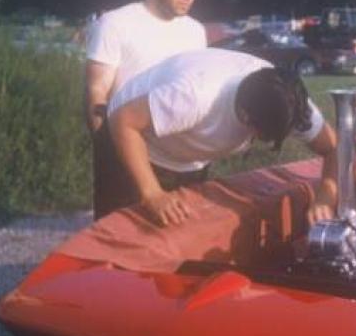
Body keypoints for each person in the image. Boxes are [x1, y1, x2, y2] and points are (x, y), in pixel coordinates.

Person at [105, 48, 338, 227]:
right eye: (263, 135)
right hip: (134, 140)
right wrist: (152, 194)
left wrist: (326, 197)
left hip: (188, 152)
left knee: (180, 228)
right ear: (245, 116)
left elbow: (334, 148)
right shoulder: (196, 97)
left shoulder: (289, 104)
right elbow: (123, 122)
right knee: (128, 236)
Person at [85, 0, 207, 218]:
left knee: (179, 235)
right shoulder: (115, 24)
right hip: (126, 154)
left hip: (181, 159)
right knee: (120, 235)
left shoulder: (196, 32)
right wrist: (108, 152)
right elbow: (96, 91)